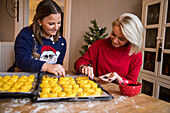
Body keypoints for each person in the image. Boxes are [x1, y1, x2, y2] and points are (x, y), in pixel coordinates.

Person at [74, 13, 143, 83]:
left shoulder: (136, 54)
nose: (115, 41)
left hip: (119, 92)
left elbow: (132, 82)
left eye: (121, 39)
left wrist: (118, 78)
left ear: (131, 39)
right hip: (97, 90)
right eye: (113, 34)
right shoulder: (99, 45)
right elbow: (78, 63)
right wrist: (83, 67)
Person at [8, 0, 66, 76]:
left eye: (59, 23)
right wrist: (46, 66)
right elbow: (21, 61)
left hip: (46, 81)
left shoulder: (61, 42)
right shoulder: (26, 34)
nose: (56, 27)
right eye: (51, 24)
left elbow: (58, 65)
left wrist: (59, 68)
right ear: (39, 21)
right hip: (21, 77)